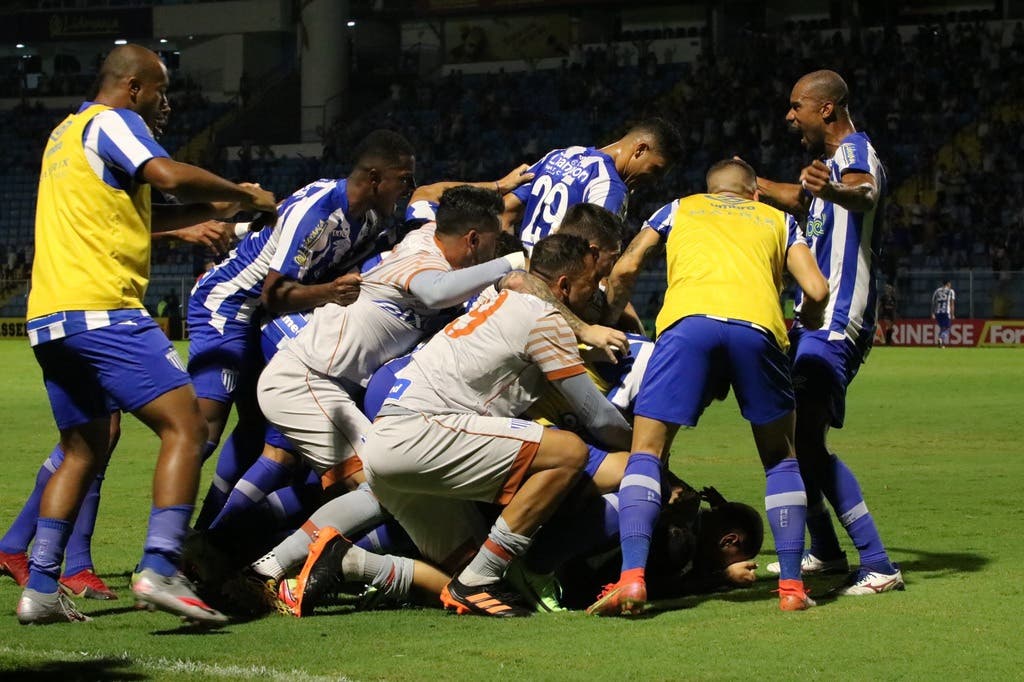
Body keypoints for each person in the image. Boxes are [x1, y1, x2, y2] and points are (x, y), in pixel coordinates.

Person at [17, 44, 277, 625]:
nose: (166, 105)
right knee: (187, 426)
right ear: (133, 87)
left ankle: (40, 587)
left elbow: (135, 215)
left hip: (50, 318)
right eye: (161, 92)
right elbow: (167, 175)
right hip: (104, 308)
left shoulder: (64, 135)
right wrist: (245, 194)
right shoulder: (115, 121)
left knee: (82, 450)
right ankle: (160, 567)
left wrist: (215, 213)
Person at [585, 158, 829, 616]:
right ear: (754, 194)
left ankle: (632, 579)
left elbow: (625, 268)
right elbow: (816, 290)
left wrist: (608, 317)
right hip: (758, 328)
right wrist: (808, 322)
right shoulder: (779, 220)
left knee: (646, 454)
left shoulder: (679, 208)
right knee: (781, 459)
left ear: (710, 190)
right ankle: (792, 588)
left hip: (687, 326)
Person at [353, 233, 633, 617]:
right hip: (423, 432)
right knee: (569, 452)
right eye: (591, 282)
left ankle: (345, 564)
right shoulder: (545, 320)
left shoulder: (494, 296)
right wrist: (644, 448)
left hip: (388, 437)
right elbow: (597, 417)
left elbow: (517, 279)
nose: (596, 291)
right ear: (564, 285)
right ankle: (476, 580)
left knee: (476, 563)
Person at [188, 130, 414, 531]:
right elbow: (273, 293)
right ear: (376, 178)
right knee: (203, 432)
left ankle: (206, 532)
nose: (408, 188)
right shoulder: (320, 210)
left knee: (258, 429)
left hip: (267, 316)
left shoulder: (368, 219)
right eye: (403, 179)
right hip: (230, 304)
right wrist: (331, 292)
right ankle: (168, 546)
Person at [754, 70, 904, 595]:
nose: (789, 116)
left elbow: (863, 193)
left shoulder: (854, 152)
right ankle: (825, 549)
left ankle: (879, 563)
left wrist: (835, 189)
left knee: (805, 442)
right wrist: (750, 185)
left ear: (826, 110)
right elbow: (801, 199)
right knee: (797, 438)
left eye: (796, 106)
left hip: (837, 320)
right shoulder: (826, 169)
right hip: (813, 322)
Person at [503, 118, 682, 253]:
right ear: (640, 150)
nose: (655, 181)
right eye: (655, 170)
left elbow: (505, 213)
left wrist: (518, 265)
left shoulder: (559, 155)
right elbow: (595, 256)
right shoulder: (611, 187)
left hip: (519, 280)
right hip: (553, 284)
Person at [931, 279, 955, 347]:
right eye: (950, 284)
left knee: (942, 328)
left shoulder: (937, 291)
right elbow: (952, 304)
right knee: (947, 328)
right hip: (946, 312)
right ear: (948, 283)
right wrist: (952, 314)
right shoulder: (951, 291)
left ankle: (941, 344)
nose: (950, 285)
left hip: (937, 313)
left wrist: (932, 313)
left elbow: (933, 302)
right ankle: (941, 338)